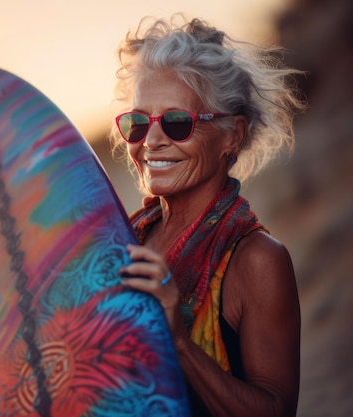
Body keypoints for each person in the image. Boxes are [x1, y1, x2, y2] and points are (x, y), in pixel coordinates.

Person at [113, 15, 305, 417]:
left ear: (232, 135)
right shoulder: (123, 238)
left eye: (177, 122)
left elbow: (276, 410)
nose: (150, 141)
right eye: (136, 123)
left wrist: (180, 343)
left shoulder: (258, 261)